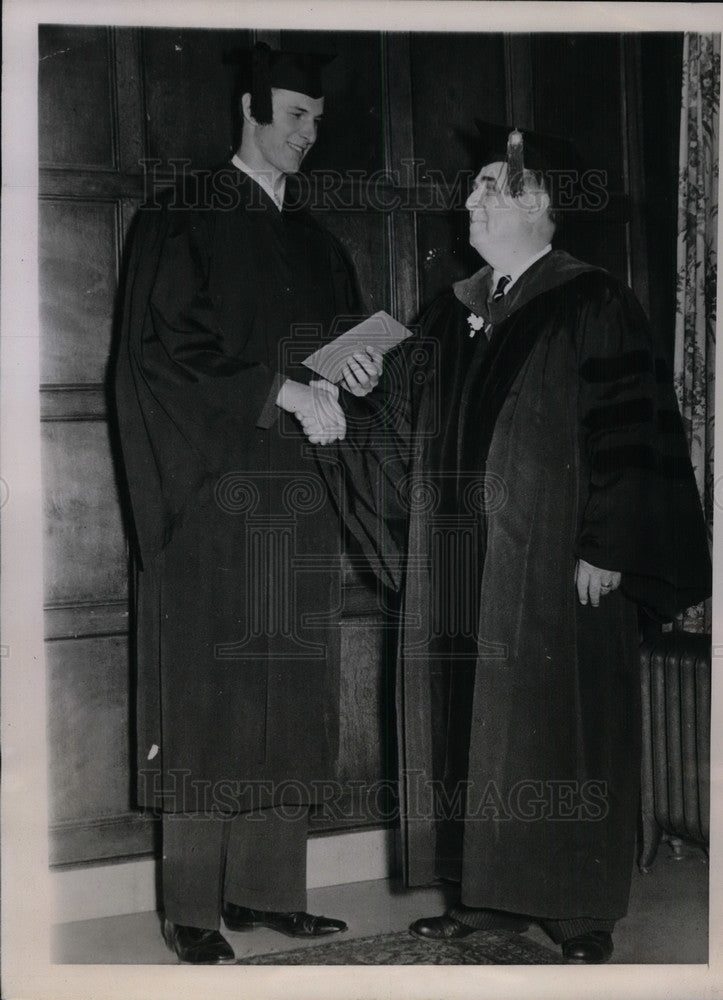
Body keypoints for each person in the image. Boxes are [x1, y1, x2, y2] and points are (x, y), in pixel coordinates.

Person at [311, 123, 711, 963]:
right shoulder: (454, 310)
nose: (468, 199)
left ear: (535, 205)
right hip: (463, 569)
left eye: (487, 187)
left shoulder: (591, 299)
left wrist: (608, 544)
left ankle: (576, 908)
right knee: (469, 727)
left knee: (557, 728)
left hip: (555, 566)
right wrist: (363, 386)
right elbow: (403, 423)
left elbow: (631, 428)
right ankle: (485, 896)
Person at [114, 42, 380, 964]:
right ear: (249, 108)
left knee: (285, 687)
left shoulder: (315, 241)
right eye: (296, 115)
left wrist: (352, 370)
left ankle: (268, 892)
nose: (309, 134)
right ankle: (190, 905)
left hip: (295, 499)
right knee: (212, 696)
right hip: (209, 499)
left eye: (317, 120)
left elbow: (333, 360)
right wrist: (281, 396)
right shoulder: (178, 217)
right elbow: (162, 355)